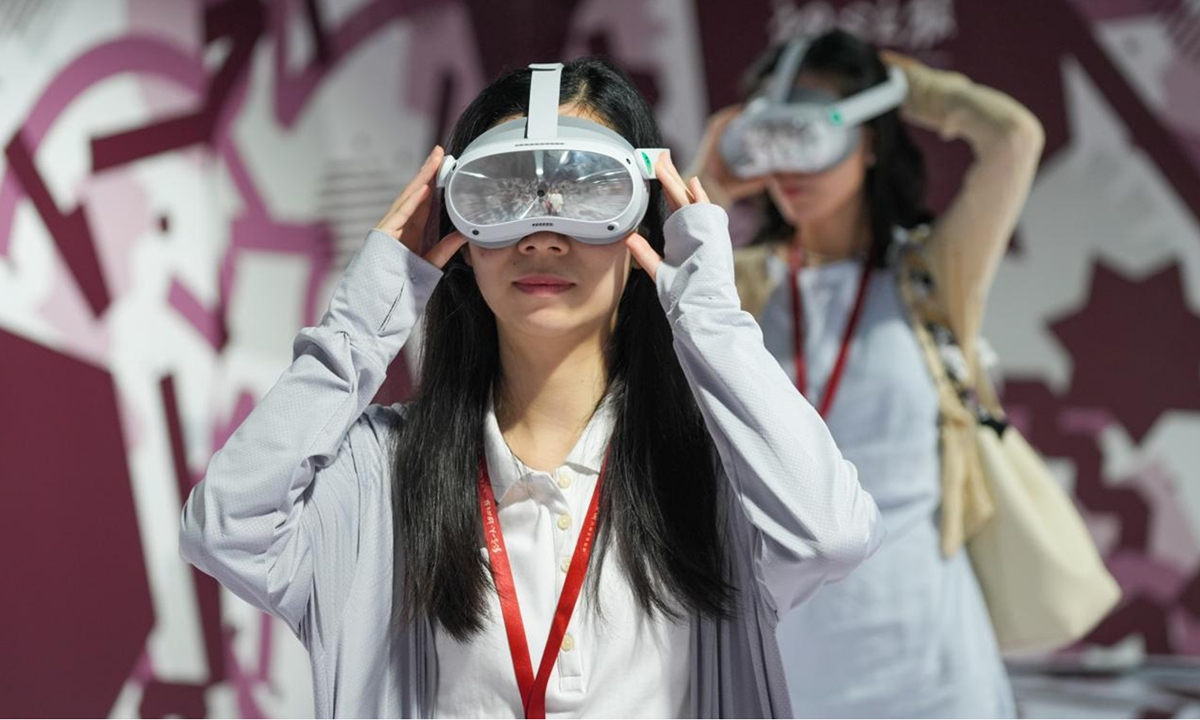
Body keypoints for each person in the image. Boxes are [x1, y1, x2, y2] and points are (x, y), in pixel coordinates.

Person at [179, 56, 882, 718]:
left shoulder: (712, 469)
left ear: (643, 216)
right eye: (503, 192)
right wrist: (367, 314)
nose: (543, 235)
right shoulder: (386, 474)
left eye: (588, 190)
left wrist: (710, 319)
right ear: (455, 219)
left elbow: (829, 536)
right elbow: (226, 526)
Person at [689, 30, 1045, 718]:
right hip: (782, 650)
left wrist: (899, 84)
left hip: (930, 656)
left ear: (870, 140)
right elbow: (633, 323)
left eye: (813, 131)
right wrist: (710, 177)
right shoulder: (736, 286)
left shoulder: (928, 276)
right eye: (773, 133)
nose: (790, 162)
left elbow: (1014, 138)